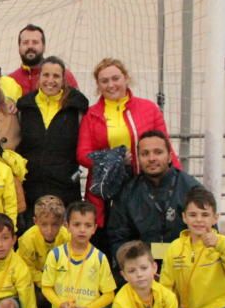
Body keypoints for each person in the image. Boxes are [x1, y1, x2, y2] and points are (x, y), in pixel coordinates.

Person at [77, 58, 180, 234]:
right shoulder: (91, 115)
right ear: (98, 85)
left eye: (115, 78)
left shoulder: (149, 108)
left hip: (145, 186)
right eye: (104, 81)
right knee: (112, 239)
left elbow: (166, 148)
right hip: (107, 191)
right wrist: (113, 159)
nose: (111, 85)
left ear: (126, 78)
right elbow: (82, 154)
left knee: (146, 238)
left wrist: (179, 181)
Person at [107, 130, 202, 266]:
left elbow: (206, 231)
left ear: (169, 157)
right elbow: (117, 237)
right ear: (138, 158)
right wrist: (136, 266)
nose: (151, 158)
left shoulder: (191, 189)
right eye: (145, 154)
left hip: (185, 266)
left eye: (158, 152)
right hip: (142, 271)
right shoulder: (127, 192)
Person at [16, 56, 89, 227]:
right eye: (46, 75)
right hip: (31, 190)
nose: (50, 81)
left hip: (65, 190)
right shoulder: (24, 108)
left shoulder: (77, 108)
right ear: (39, 78)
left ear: (64, 79)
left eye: (56, 76)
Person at [0, 24, 79, 103]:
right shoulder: (11, 80)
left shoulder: (64, 75)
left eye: (35, 42)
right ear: (19, 47)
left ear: (44, 47)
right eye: (25, 42)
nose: (30, 46)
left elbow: (78, 106)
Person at [16, 195, 70, 287]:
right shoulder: (27, 239)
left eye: (55, 225)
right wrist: (45, 281)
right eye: (44, 224)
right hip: (34, 279)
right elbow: (26, 267)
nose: (49, 231)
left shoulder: (67, 237)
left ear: (62, 223)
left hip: (58, 277)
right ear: (35, 221)